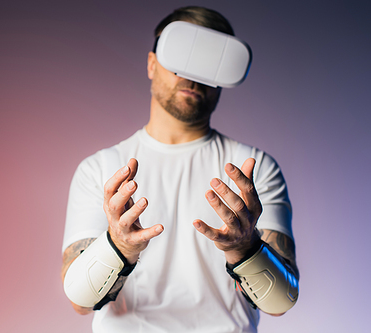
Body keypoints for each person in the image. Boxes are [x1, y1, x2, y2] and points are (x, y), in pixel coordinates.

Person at [61, 6, 299, 333]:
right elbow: (79, 301)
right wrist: (120, 246)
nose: (193, 75)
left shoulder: (253, 171)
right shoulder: (100, 169)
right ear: (151, 63)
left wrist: (245, 247)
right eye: (181, 57)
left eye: (208, 62)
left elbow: (281, 302)